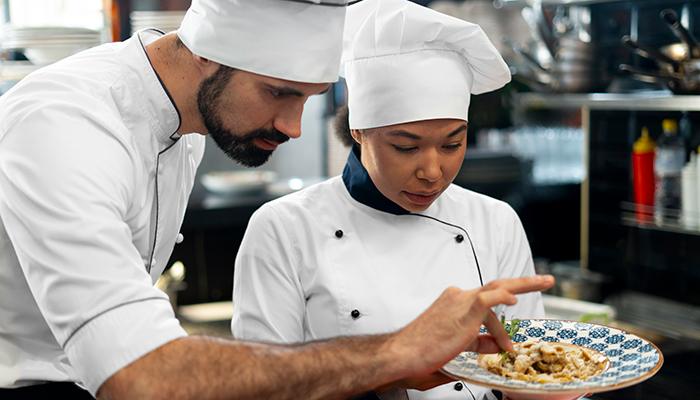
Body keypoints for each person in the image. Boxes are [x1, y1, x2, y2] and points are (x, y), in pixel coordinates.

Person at [0, 0, 554, 398]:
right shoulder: (67, 124)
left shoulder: (187, 125)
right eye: (279, 92)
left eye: (309, 99)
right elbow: (139, 376)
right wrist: (395, 353)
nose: (292, 127)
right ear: (207, 55)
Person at [231, 1, 545, 399]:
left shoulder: (495, 221)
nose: (432, 171)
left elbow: (532, 369)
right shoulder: (284, 228)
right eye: (405, 147)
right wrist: (386, 373)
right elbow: (261, 387)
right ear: (359, 130)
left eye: (453, 144)